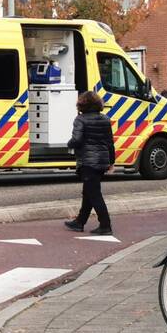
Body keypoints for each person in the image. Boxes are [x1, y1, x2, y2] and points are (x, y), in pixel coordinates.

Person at [64, 90, 115, 235]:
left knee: (94, 194)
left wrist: (69, 144)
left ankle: (105, 225)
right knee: (88, 192)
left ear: (82, 104)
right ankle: (79, 222)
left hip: (88, 161)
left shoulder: (80, 120)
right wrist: (112, 162)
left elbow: (77, 140)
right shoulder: (105, 119)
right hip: (101, 161)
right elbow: (110, 143)